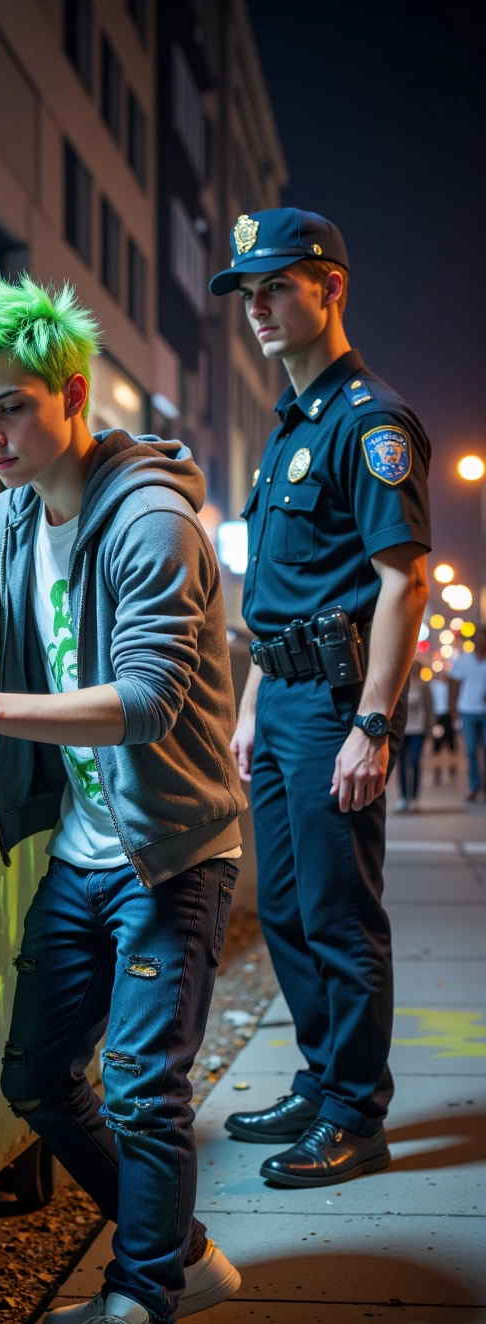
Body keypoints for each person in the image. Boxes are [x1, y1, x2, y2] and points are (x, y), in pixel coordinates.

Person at [0, 275, 246, 1324]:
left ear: (72, 398)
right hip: (88, 854)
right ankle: (175, 1252)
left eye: (11, 410)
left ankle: (144, 1316)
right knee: (38, 1077)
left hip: (172, 854)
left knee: (143, 1088)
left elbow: (141, 700)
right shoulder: (10, 517)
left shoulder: (151, 522)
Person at [211, 209, 431, 1187]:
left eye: (277, 287)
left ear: (330, 288)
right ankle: (318, 1078)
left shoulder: (367, 422)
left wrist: (374, 725)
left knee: (340, 913)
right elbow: (279, 598)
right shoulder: (289, 430)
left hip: (340, 706)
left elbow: (400, 582)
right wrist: (252, 704)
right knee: (291, 911)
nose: (257, 308)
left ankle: (355, 1112)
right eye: (247, 293)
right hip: (284, 700)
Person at [448, 633, 486, 801]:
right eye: (478, 641)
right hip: (468, 710)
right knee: (470, 750)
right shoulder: (463, 661)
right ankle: (473, 786)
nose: (481, 643)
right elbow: (454, 685)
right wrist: (453, 709)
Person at [396, 660, 432, 811]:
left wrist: (430, 726)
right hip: (402, 729)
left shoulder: (423, 686)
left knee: (415, 761)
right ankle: (404, 797)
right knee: (402, 764)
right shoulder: (400, 684)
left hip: (418, 729)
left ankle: (415, 797)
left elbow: (429, 706)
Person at [429, 672, 457, 784]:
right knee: (437, 745)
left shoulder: (450, 686)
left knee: (452, 744)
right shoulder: (433, 686)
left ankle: (452, 767)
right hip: (437, 719)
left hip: (448, 717)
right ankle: (437, 770)